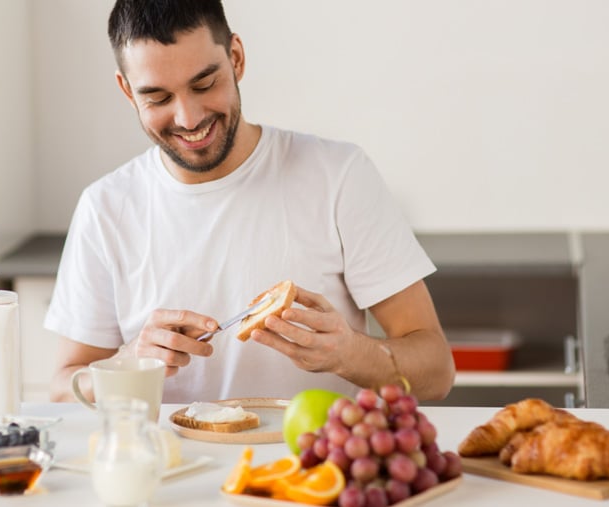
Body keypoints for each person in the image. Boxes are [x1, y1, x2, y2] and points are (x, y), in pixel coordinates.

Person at [45, 0, 454, 404]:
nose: (188, 118)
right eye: (157, 98)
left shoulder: (338, 175)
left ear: (236, 58)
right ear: (127, 91)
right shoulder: (106, 208)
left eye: (204, 84)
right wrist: (129, 363)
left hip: (311, 465)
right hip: (170, 467)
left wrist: (349, 354)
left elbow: (436, 373)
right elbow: (64, 390)